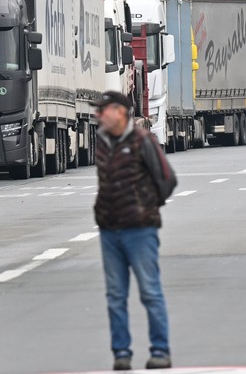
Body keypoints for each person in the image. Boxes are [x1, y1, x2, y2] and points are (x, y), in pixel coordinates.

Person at [93, 91, 173, 371]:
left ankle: (160, 351)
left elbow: (166, 179)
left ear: (120, 112)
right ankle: (121, 354)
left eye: (103, 110)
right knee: (115, 295)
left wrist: (146, 207)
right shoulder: (102, 141)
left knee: (150, 291)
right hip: (109, 230)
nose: (98, 115)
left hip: (139, 229)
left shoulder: (142, 141)